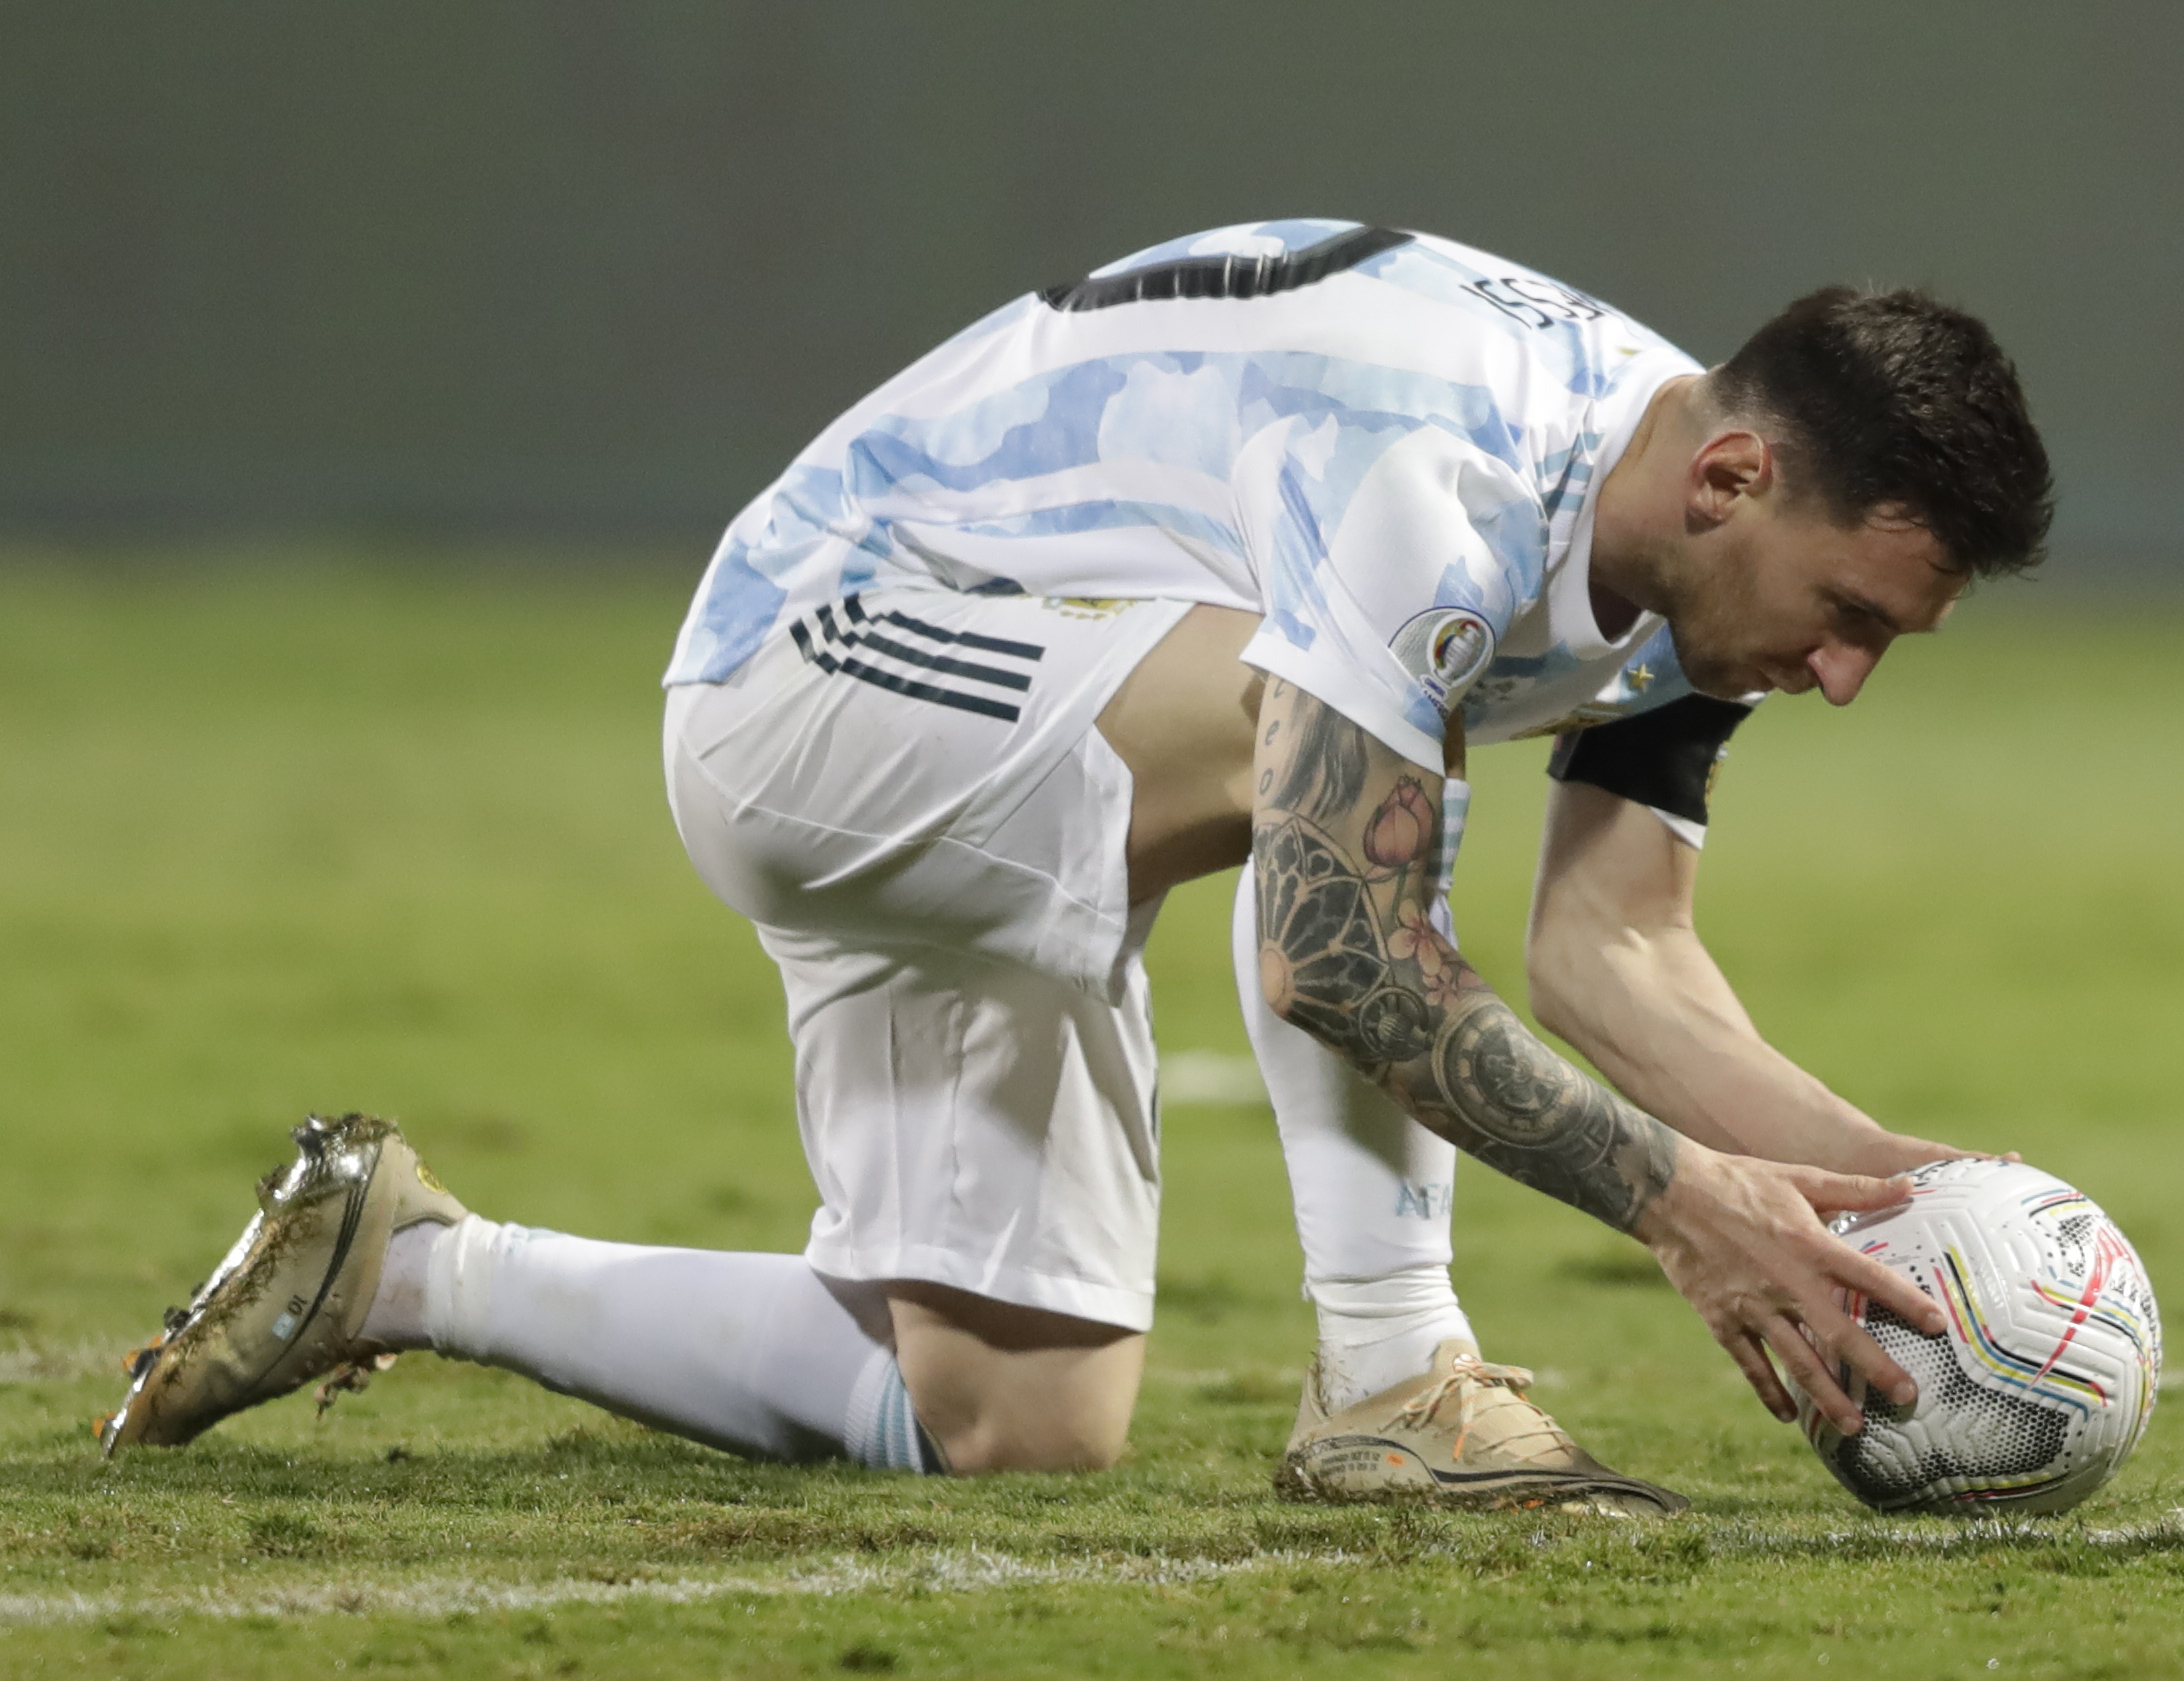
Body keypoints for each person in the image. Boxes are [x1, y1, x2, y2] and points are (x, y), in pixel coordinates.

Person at [102, 220, 2052, 1515]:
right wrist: (1676, 1203)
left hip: (1031, 742)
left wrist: (1921, 1210)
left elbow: (1619, 949)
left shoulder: (1683, 542)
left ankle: (407, 1264)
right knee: (1358, 742)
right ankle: (1394, 1379)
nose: (1842, 676)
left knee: (1012, 1418)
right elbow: (1333, 953)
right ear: (1732, 485)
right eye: (1844, 613)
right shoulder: (1442, 472)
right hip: (824, 665)